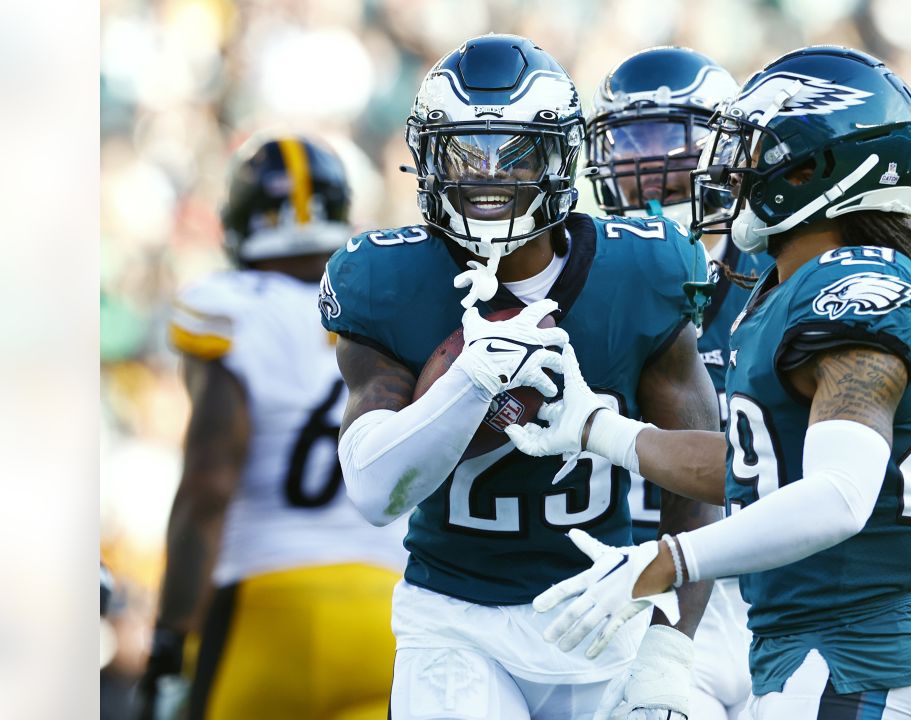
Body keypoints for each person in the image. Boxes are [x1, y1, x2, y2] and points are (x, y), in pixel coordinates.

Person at [506, 46, 911, 719]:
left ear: (810, 168)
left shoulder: (852, 291)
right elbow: (755, 467)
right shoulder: (786, 289)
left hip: (850, 656)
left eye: (748, 150)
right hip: (809, 651)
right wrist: (602, 431)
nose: (726, 170)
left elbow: (837, 497)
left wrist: (667, 559)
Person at [318, 34, 722, 720]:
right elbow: (373, 491)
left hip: (606, 610)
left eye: (514, 153)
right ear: (426, 158)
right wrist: (470, 382)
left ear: (559, 156)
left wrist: (670, 645)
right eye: (464, 153)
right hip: (454, 617)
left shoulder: (643, 272)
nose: (486, 177)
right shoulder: (386, 279)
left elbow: (707, 479)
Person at [138, 136, 407, 720]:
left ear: (237, 222)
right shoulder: (393, 307)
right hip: (387, 614)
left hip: (265, 606)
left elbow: (209, 485)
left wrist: (169, 635)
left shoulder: (232, 306)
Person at [586, 45, 767, 720]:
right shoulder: (586, 270)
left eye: (673, 140)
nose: (651, 164)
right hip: (628, 579)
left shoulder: (785, 276)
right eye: (629, 142)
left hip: (767, 587)